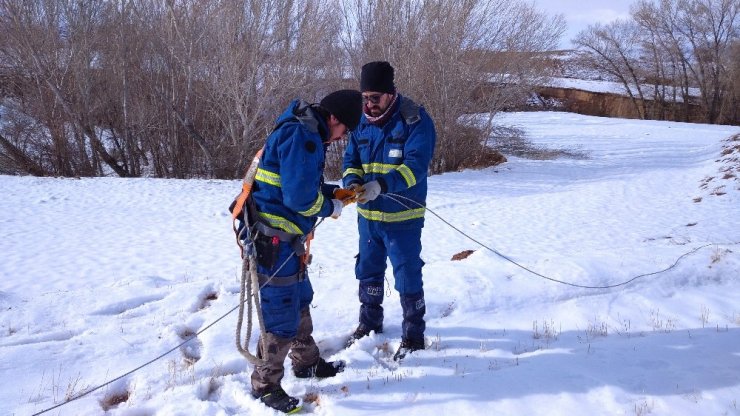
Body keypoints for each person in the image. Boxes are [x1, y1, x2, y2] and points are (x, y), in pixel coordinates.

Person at [247, 89, 362, 413]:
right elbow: (299, 199)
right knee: (281, 310)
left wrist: (334, 192)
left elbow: (298, 184)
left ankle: (306, 362)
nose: (341, 138)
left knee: (299, 298)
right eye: (344, 130)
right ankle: (265, 384)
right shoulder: (304, 137)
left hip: (288, 239)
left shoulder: (303, 130)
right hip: (274, 240)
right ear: (335, 119)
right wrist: (331, 207)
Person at [342, 61, 437, 361]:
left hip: (403, 220)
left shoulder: (414, 120)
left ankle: (413, 336)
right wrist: (353, 182)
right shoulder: (360, 122)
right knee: (368, 271)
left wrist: (382, 185)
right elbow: (350, 160)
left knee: (407, 275)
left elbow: (416, 168)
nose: (369, 104)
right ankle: (369, 324)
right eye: (365, 97)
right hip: (368, 219)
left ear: (391, 93)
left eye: (375, 98)